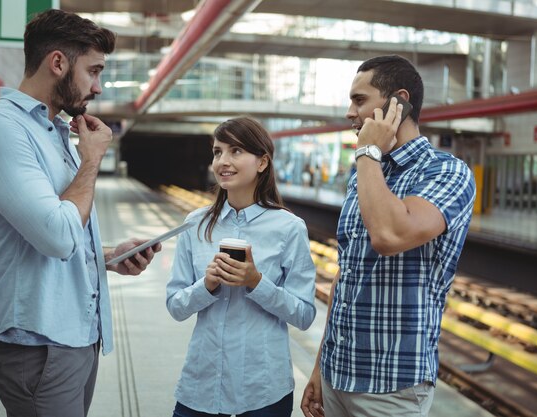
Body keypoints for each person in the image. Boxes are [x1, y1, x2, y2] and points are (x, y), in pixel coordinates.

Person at [0, 9, 161, 417]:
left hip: (72, 338)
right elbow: (56, 235)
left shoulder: (52, 133)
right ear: (57, 63)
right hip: (36, 344)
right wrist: (91, 162)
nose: (98, 87)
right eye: (94, 71)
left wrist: (108, 256)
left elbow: (45, 233)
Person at [300, 55, 476, 417]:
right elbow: (346, 276)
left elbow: (389, 235)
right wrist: (319, 365)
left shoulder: (447, 172)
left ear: (399, 100)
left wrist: (368, 152)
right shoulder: (366, 172)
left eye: (359, 100)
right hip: (338, 375)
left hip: (392, 387)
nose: (350, 112)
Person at [166, 116, 317, 416]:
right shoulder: (195, 225)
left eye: (236, 151)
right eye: (217, 151)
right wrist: (206, 285)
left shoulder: (289, 228)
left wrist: (256, 282)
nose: (223, 160)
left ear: (262, 163)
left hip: (263, 389)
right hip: (202, 384)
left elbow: (304, 315)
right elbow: (176, 306)